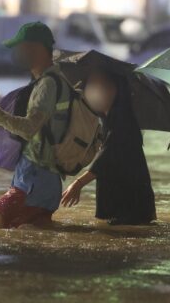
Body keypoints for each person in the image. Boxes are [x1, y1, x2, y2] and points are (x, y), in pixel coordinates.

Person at [0, 22, 71, 228]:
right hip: (45, 185)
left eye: (20, 48)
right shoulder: (57, 80)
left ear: (36, 49)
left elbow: (30, 128)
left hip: (32, 186)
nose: (17, 53)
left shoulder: (47, 85)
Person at [60, 70, 156, 225]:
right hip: (128, 207)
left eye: (101, 86)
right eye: (91, 86)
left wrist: (78, 184)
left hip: (129, 209)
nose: (94, 92)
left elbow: (105, 158)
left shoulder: (123, 122)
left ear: (115, 90)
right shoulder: (109, 120)